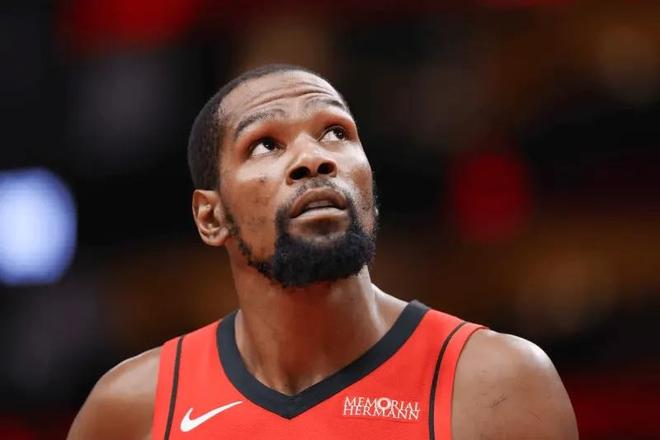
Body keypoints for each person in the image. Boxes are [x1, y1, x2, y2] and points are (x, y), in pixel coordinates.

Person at [67, 64, 578, 439]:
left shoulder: (499, 385)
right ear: (211, 217)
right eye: (265, 144)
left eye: (336, 133)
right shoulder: (132, 409)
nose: (313, 158)